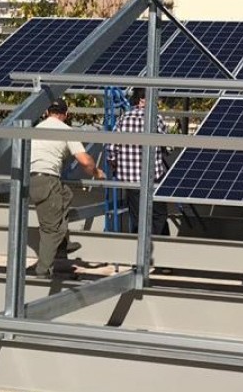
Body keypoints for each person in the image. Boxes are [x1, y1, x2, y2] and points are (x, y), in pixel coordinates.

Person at [29, 98, 105, 279]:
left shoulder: (35, 129)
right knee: (51, 230)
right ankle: (42, 271)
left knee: (65, 194)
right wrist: (96, 173)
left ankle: (64, 245)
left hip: (35, 180)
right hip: (47, 180)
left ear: (47, 112)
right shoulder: (65, 130)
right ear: (66, 115)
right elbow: (85, 160)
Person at [106, 87, 172, 240]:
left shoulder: (124, 119)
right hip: (152, 177)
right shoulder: (156, 119)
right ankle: (158, 253)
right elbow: (168, 147)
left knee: (137, 217)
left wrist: (116, 166)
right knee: (159, 215)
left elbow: (111, 149)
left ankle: (139, 258)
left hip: (130, 180)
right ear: (143, 100)